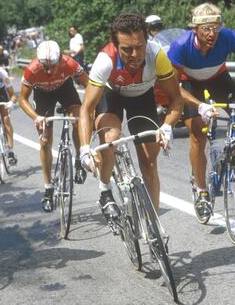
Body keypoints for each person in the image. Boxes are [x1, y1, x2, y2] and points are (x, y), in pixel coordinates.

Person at [167, 2, 235, 213]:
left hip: (219, 78)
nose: (212, 33)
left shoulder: (228, 37)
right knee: (197, 136)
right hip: (190, 84)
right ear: (195, 29)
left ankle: (232, 151)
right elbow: (172, 87)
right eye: (206, 29)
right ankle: (201, 192)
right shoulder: (181, 46)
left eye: (216, 28)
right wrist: (200, 106)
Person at [78, 12, 183, 222]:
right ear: (116, 46)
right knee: (110, 140)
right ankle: (105, 189)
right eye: (127, 49)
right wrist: (84, 148)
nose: (135, 54)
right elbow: (86, 108)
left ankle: (154, 225)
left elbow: (176, 100)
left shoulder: (157, 55)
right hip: (112, 95)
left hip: (141, 97)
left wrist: (168, 126)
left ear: (147, 39)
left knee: (150, 164)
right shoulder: (105, 60)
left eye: (140, 46)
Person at [18, 40, 89, 211]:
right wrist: (36, 117)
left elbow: (90, 85)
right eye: (45, 67)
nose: (49, 71)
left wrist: (87, 109)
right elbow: (22, 99)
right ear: (38, 62)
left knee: (77, 120)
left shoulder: (69, 63)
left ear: (60, 60)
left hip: (65, 89)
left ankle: (79, 161)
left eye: (53, 66)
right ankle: (48, 188)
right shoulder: (32, 70)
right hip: (43, 96)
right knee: (45, 141)